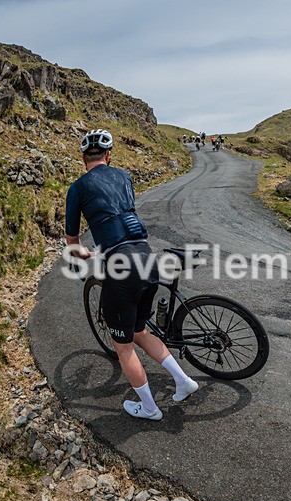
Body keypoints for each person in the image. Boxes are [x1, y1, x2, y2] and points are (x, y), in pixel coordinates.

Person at [65, 129, 199, 420]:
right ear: (108, 155)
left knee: (123, 346)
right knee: (140, 331)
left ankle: (149, 409)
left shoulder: (77, 188)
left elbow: (73, 242)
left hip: (120, 267)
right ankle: (183, 381)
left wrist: (86, 255)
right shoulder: (124, 177)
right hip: (146, 257)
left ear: (83, 158)